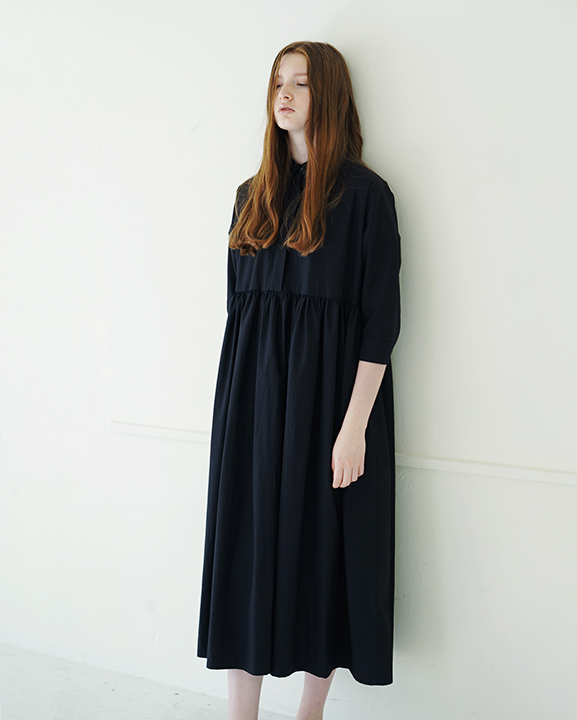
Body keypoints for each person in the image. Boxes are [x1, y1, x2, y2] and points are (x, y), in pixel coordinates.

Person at [197, 41, 402, 720]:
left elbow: (379, 323)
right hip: (251, 404)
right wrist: (239, 414)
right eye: (278, 81)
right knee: (245, 552)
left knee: (322, 554)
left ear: (329, 95)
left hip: (329, 408)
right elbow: (240, 314)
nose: (284, 94)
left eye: (302, 83)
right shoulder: (249, 197)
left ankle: (309, 712)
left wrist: (354, 428)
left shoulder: (366, 198)